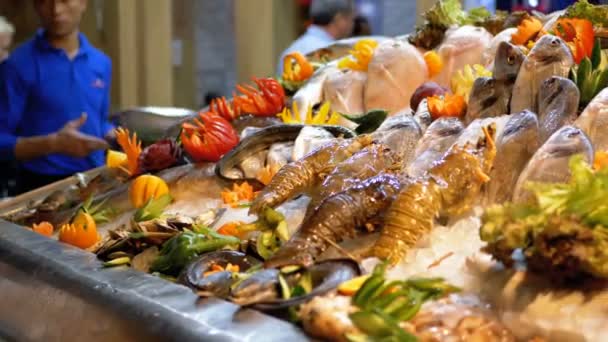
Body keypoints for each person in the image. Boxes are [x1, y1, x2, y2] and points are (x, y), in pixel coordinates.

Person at [0, 0, 113, 194]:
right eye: (45, 2)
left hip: (96, 181)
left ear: (84, 2)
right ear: (35, 6)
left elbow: (99, 120)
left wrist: (112, 133)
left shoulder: (101, 63)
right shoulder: (17, 65)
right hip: (40, 187)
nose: (56, 10)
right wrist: (53, 144)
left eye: (64, 0)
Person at [276, 0, 355, 75]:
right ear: (339, 19)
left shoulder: (289, 51)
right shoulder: (334, 54)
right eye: (352, 19)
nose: (353, 24)